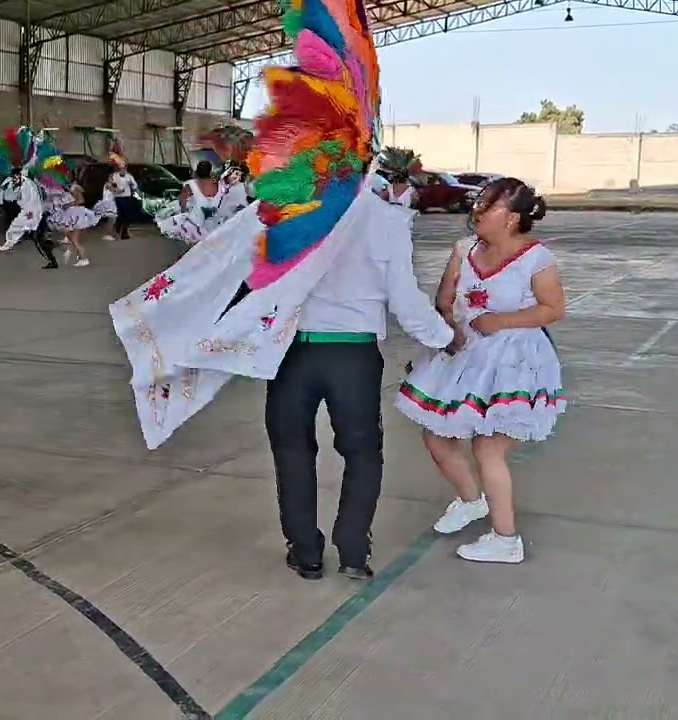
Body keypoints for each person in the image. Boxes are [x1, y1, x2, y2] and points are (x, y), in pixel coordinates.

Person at [110, 0, 452, 580]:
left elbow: (222, 268)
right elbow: (404, 299)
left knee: (293, 452)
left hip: (293, 354)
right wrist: (443, 336)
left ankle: (307, 552)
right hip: (352, 358)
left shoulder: (283, 207)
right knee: (362, 452)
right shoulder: (384, 218)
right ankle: (354, 552)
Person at [396, 178, 565, 565]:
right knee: (437, 436)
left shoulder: (536, 259)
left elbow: (553, 309)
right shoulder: (464, 249)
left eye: (488, 206)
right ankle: (472, 502)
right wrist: (449, 325)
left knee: (488, 446)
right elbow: (444, 298)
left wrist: (502, 321)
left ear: (511, 218)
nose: (477, 212)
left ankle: (506, 538)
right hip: (464, 355)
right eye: (479, 203)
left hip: (512, 362)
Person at [156, 160, 222, 256]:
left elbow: (183, 200)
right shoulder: (217, 184)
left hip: (197, 216)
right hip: (215, 216)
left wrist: (183, 212)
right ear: (210, 171)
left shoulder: (191, 184)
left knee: (194, 241)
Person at [47, 180, 97, 267]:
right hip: (69, 216)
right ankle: (79, 255)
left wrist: (69, 204)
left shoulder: (72, 188)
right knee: (72, 237)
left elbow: (81, 200)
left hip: (76, 215)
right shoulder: (56, 191)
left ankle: (83, 258)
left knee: (74, 239)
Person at [103, 155, 138, 241]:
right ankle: (117, 232)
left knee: (127, 216)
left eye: (124, 168)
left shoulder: (129, 177)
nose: (123, 170)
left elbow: (135, 186)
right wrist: (116, 190)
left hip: (127, 198)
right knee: (119, 216)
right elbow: (110, 185)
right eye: (121, 168)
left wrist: (131, 188)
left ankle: (124, 232)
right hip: (118, 198)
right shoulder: (115, 176)